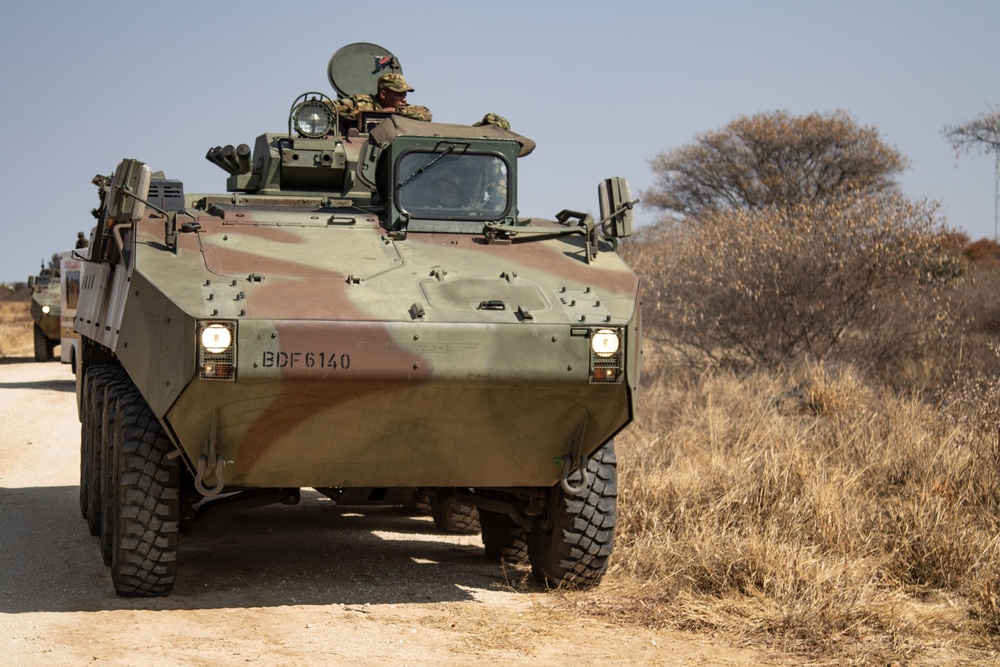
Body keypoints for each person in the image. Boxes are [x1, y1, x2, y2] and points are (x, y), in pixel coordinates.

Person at [331, 73, 432, 125]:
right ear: (383, 94)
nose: (404, 99)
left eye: (404, 95)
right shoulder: (362, 102)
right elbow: (327, 108)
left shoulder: (402, 109)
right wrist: (362, 114)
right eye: (399, 95)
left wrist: (394, 111)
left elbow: (427, 115)